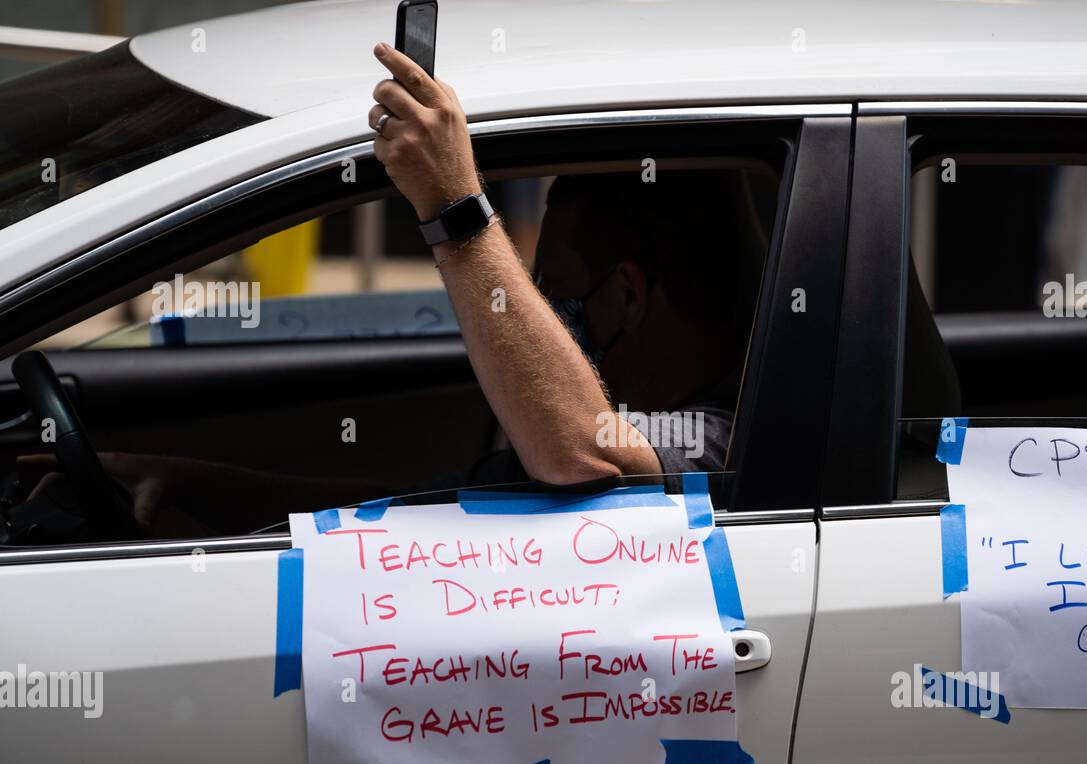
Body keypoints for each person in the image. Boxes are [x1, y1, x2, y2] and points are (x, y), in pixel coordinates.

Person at [21, 43, 751, 537]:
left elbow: (582, 453)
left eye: (555, 295)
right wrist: (201, 487)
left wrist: (454, 208)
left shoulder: (733, 433)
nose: (543, 319)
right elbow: (426, 503)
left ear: (625, 297)